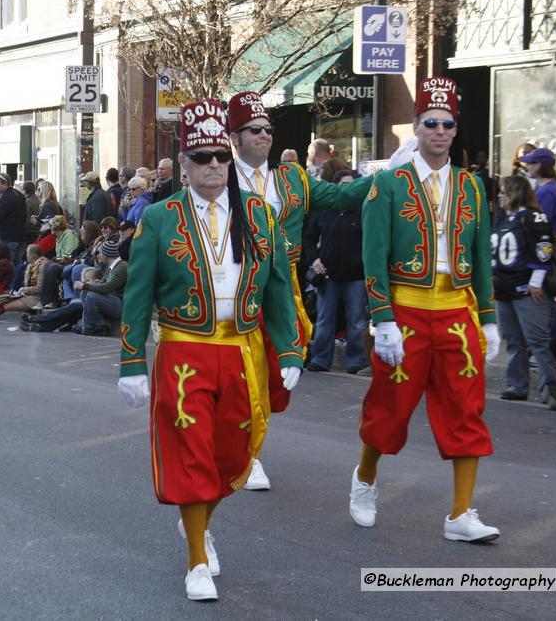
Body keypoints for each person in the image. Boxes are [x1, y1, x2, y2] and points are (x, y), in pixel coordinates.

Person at [117, 99, 302, 602]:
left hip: (242, 353)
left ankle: (197, 523)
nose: (215, 165)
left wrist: (288, 351)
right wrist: (132, 362)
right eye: (202, 158)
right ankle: (197, 557)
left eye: (221, 155)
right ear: (184, 167)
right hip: (184, 352)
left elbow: (280, 290)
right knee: (192, 456)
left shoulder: (259, 214)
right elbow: (138, 293)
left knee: (230, 457)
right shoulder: (160, 217)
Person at [348, 76, 501, 543]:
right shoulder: (389, 184)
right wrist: (382, 318)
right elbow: (373, 255)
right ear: (415, 127)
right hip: (406, 313)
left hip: (457, 314)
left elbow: (480, 259)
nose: (439, 130)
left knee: (465, 411)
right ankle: (365, 479)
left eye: (446, 123)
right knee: (389, 410)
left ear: (456, 130)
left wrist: (490, 319)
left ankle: (461, 513)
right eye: (430, 122)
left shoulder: (472, 187)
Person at [226, 91, 371, 491]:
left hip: (284, 287)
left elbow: (340, 196)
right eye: (255, 130)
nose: (264, 136)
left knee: (276, 374)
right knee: (247, 372)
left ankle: (244, 437)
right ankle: (248, 455)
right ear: (233, 137)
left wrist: (393, 175)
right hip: (236, 287)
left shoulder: (291, 177)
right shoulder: (218, 176)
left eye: (268, 129)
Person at [492, 176, 556, 409]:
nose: (499, 196)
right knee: (513, 340)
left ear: (515, 192)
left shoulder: (534, 217)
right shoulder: (502, 218)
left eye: (504, 191)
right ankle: (517, 386)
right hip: (503, 289)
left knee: (537, 341)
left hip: (526, 290)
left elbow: (543, 249)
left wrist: (535, 282)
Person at [302, 168, 368, 373]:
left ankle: (356, 360)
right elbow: (308, 238)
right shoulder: (324, 209)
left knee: (357, 321)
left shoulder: (363, 210)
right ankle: (320, 359)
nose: (346, 190)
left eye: (351, 186)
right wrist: (314, 260)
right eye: (342, 186)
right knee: (324, 319)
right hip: (327, 275)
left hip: (356, 275)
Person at [75, 238, 126, 335]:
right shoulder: (111, 267)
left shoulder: (122, 267)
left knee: (91, 296)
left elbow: (107, 288)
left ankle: (88, 327)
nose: (98, 255)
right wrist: (94, 283)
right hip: (112, 299)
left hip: (120, 303)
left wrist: (85, 285)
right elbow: (103, 282)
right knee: (84, 294)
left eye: (99, 253)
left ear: (105, 255)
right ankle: (100, 324)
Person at [520, 147, 556, 238]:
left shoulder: (548, 191)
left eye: (529, 163)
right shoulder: (546, 186)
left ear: (538, 165)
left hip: (546, 246)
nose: (526, 166)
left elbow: (541, 224)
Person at [0, 172, 27, 264]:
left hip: (8, 238)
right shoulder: (19, 195)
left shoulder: (5, 198)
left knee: (6, 266)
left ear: (5, 184)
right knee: (17, 265)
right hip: (20, 236)